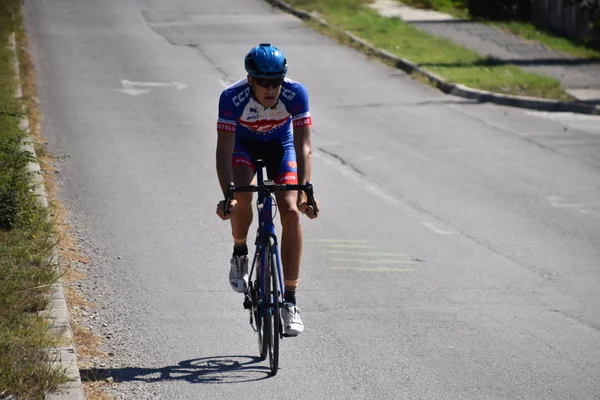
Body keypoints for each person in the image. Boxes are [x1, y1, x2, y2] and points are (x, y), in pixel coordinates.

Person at [215, 43, 319, 336]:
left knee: (289, 211)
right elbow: (223, 151)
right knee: (244, 195)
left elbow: (304, 146)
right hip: (243, 147)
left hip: (280, 146)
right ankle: (239, 252)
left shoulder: (295, 93)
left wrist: (305, 192)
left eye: (276, 81)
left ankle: (290, 302)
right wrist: (228, 195)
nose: (271, 89)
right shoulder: (231, 98)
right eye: (264, 82)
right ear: (251, 80)